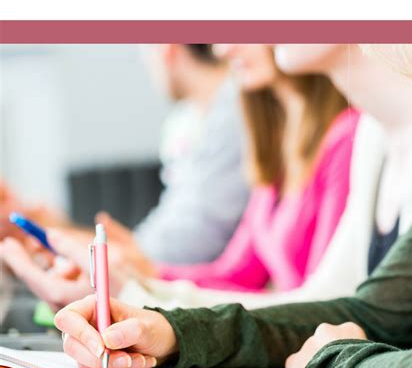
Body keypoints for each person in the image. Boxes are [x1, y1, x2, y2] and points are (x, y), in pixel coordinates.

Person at [51, 44, 412, 368]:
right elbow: (374, 311)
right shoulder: (384, 136)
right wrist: (171, 331)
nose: (222, 46)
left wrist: (338, 364)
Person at [110, 43, 412, 312]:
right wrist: (143, 280)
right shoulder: (279, 152)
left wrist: (143, 290)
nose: (221, 51)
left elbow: (328, 306)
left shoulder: (352, 135)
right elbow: (240, 272)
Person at [1, 43, 249, 268]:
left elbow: (186, 244)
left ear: (167, 48)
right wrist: (57, 230)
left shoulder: (235, 114)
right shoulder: (189, 121)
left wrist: (62, 237)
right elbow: (163, 236)